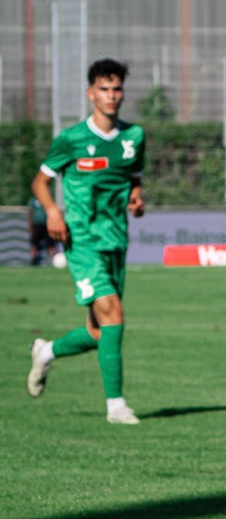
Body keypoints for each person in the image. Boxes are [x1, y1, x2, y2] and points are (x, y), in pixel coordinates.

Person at [27, 58, 146, 424]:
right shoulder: (72, 139)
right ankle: (116, 407)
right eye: (104, 89)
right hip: (82, 241)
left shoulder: (134, 137)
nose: (111, 96)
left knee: (100, 330)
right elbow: (40, 182)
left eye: (117, 89)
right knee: (114, 312)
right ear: (91, 93)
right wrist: (52, 211)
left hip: (116, 240)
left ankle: (47, 352)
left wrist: (137, 196)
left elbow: (133, 176)